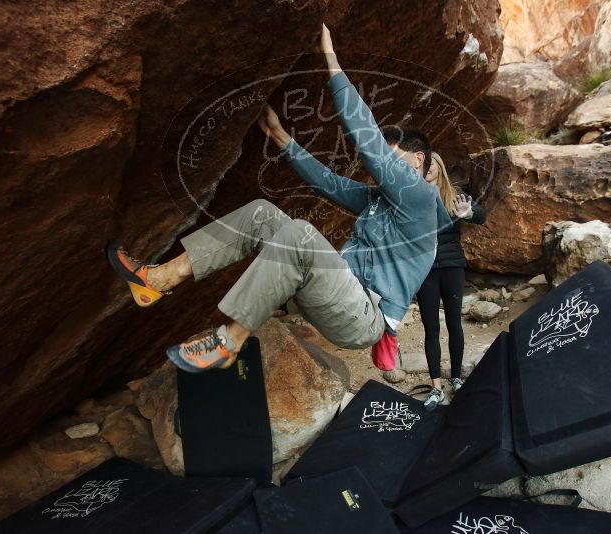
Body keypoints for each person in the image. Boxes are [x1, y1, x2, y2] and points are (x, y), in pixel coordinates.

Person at [107, 25, 453, 372]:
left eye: (392, 159)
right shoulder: (382, 201)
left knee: (300, 233)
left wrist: (330, 60)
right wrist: (280, 136)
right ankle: (158, 280)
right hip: (333, 293)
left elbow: (370, 145)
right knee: (262, 213)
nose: (383, 169)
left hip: (362, 316)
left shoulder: (420, 199)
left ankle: (228, 341)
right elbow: (327, 183)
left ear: (417, 160)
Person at [417, 153, 486, 411]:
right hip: (425, 270)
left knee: (454, 321)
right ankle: (436, 387)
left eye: (431, 164)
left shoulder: (452, 194)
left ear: (439, 167)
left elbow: (481, 214)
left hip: (452, 266)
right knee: (430, 328)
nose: (428, 169)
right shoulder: (414, 195)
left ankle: (456, 378)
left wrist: (468, 214)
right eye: (424, 166)